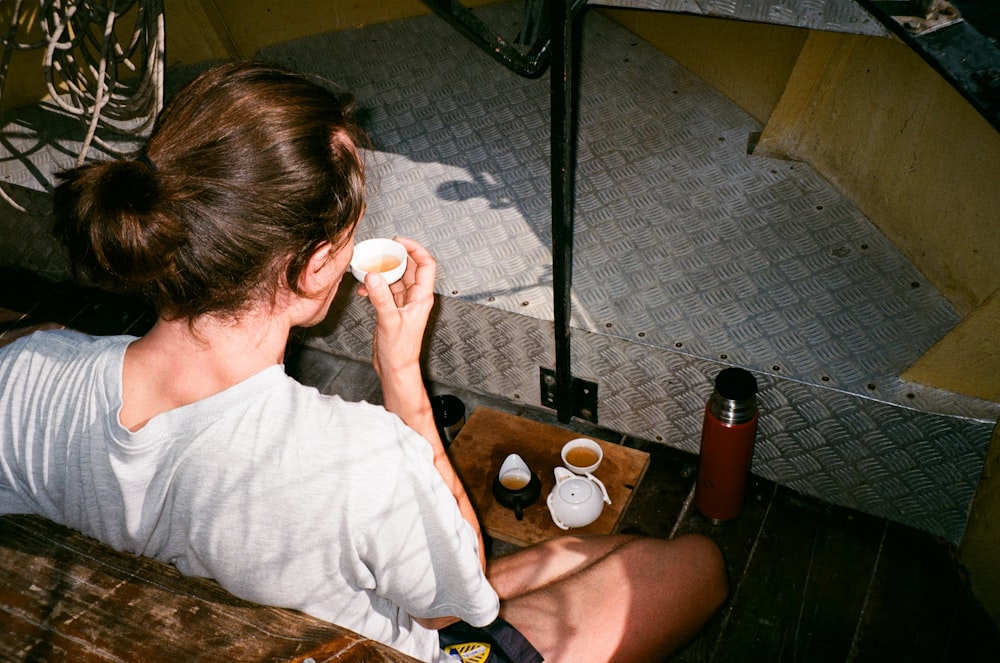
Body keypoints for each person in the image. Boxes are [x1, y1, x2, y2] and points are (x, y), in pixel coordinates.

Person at [0, 61, 727, 662]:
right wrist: (403, 377)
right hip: (381, 646)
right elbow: (459, 601)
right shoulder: (362, 461)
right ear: (317, 268)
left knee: (577, 553)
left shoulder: (27, 371)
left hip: (219, 609)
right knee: (694, 565)